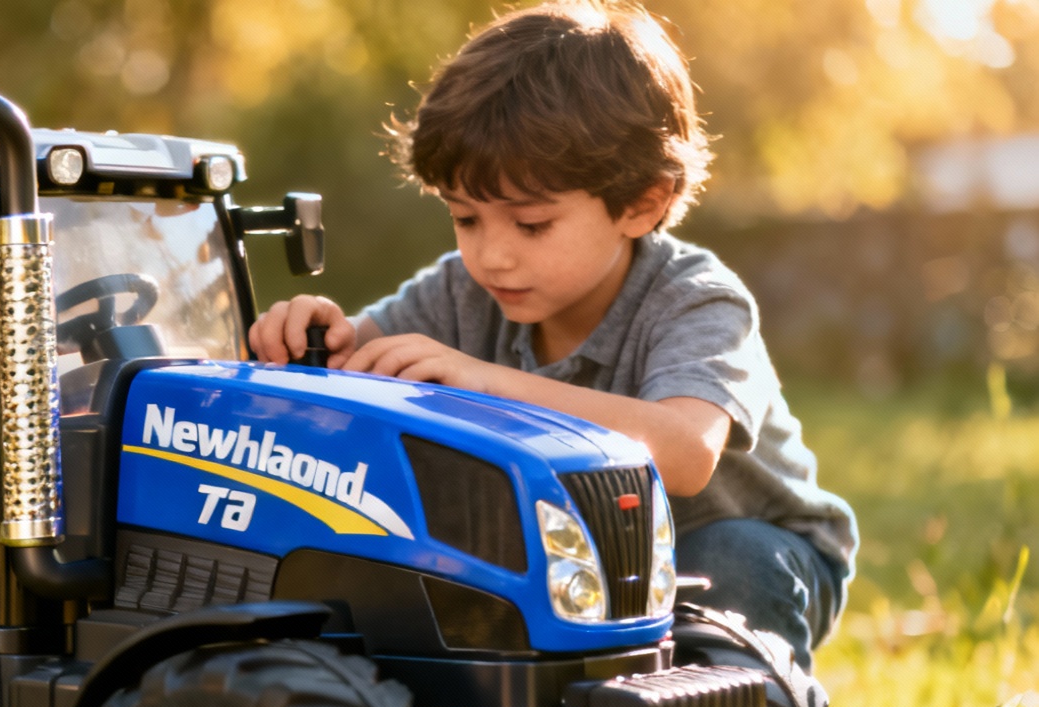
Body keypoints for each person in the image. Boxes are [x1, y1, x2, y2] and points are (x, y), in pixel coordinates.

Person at [246, 0, 855, 669]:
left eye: (530, 224)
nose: (492, 256)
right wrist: (312, 336)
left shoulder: (696, 298)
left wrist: (489, 383)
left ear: (643, 202)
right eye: (466, 218)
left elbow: (685, 453)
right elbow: (357, 358)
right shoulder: (462, 291)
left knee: (728, 566)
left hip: (742, 547)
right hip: (576, 555)